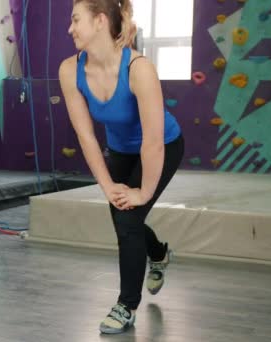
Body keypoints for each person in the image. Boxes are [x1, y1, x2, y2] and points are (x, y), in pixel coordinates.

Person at [58, 0, 184, 334]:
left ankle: (126, 305)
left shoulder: (138, 68)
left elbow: (153, 141)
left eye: (75, 20)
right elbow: (86, 137)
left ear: (99, 21)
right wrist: (107, 186)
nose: (69, 29)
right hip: (120, 150)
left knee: (129, 217)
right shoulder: (70, 70)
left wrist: (143, 191)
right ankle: (157, 253)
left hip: (163, 146)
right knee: (122, 212)